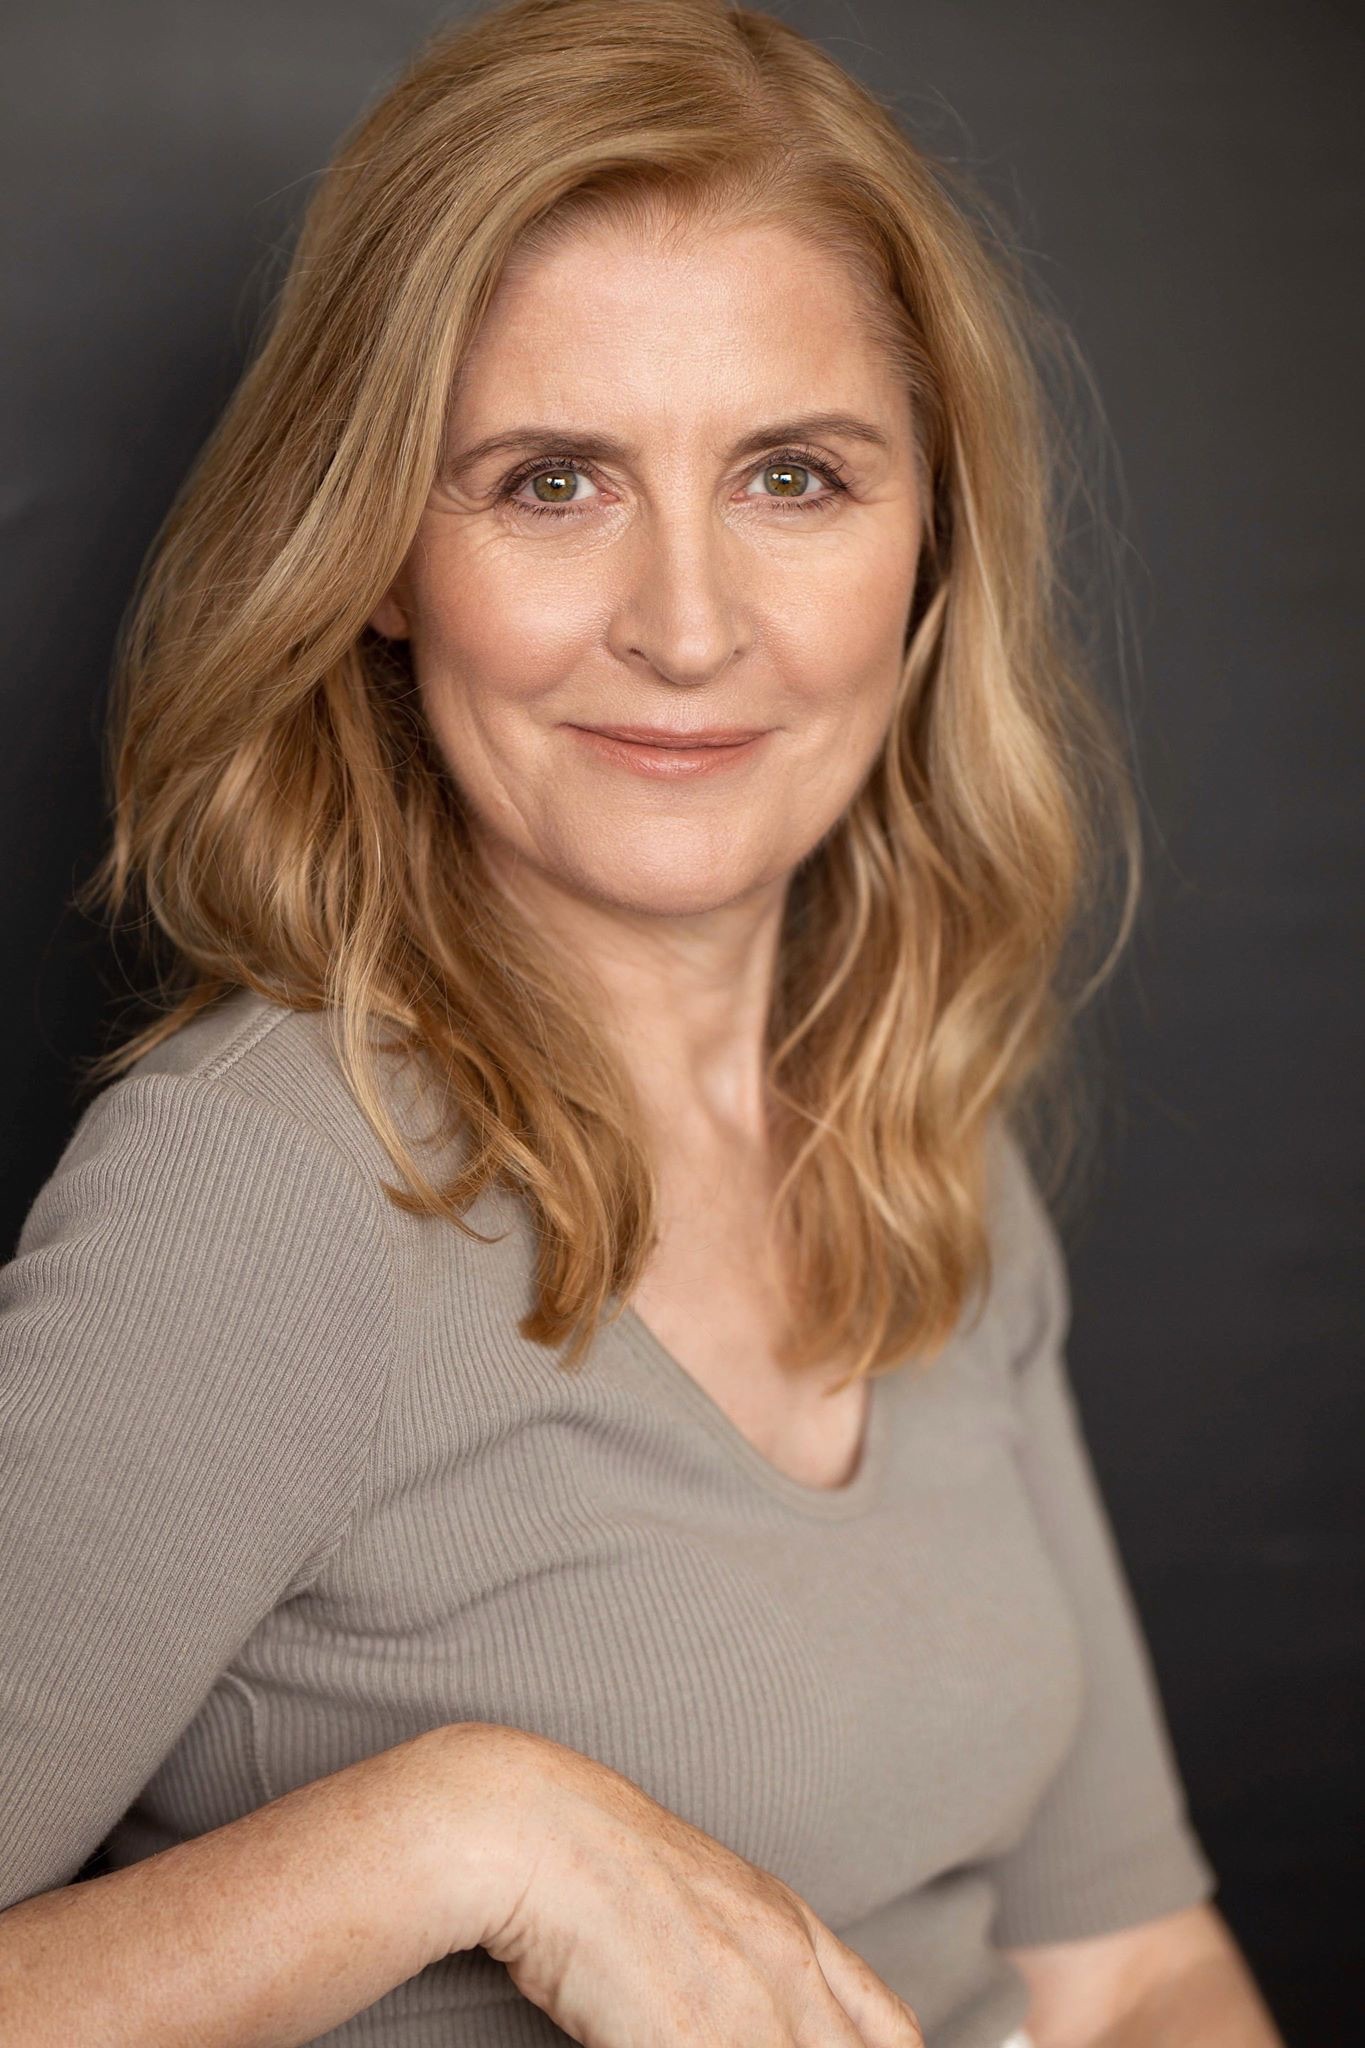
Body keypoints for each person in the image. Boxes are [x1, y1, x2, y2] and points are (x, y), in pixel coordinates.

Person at [0, 0, 1287, 2043]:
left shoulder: (908, 1139)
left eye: (792, 475)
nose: (683, 626)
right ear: (380, 560)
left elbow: (1123, 1962)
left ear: (927, 545)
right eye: (548, 482)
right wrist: (458, 1833)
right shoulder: (258, 1194)